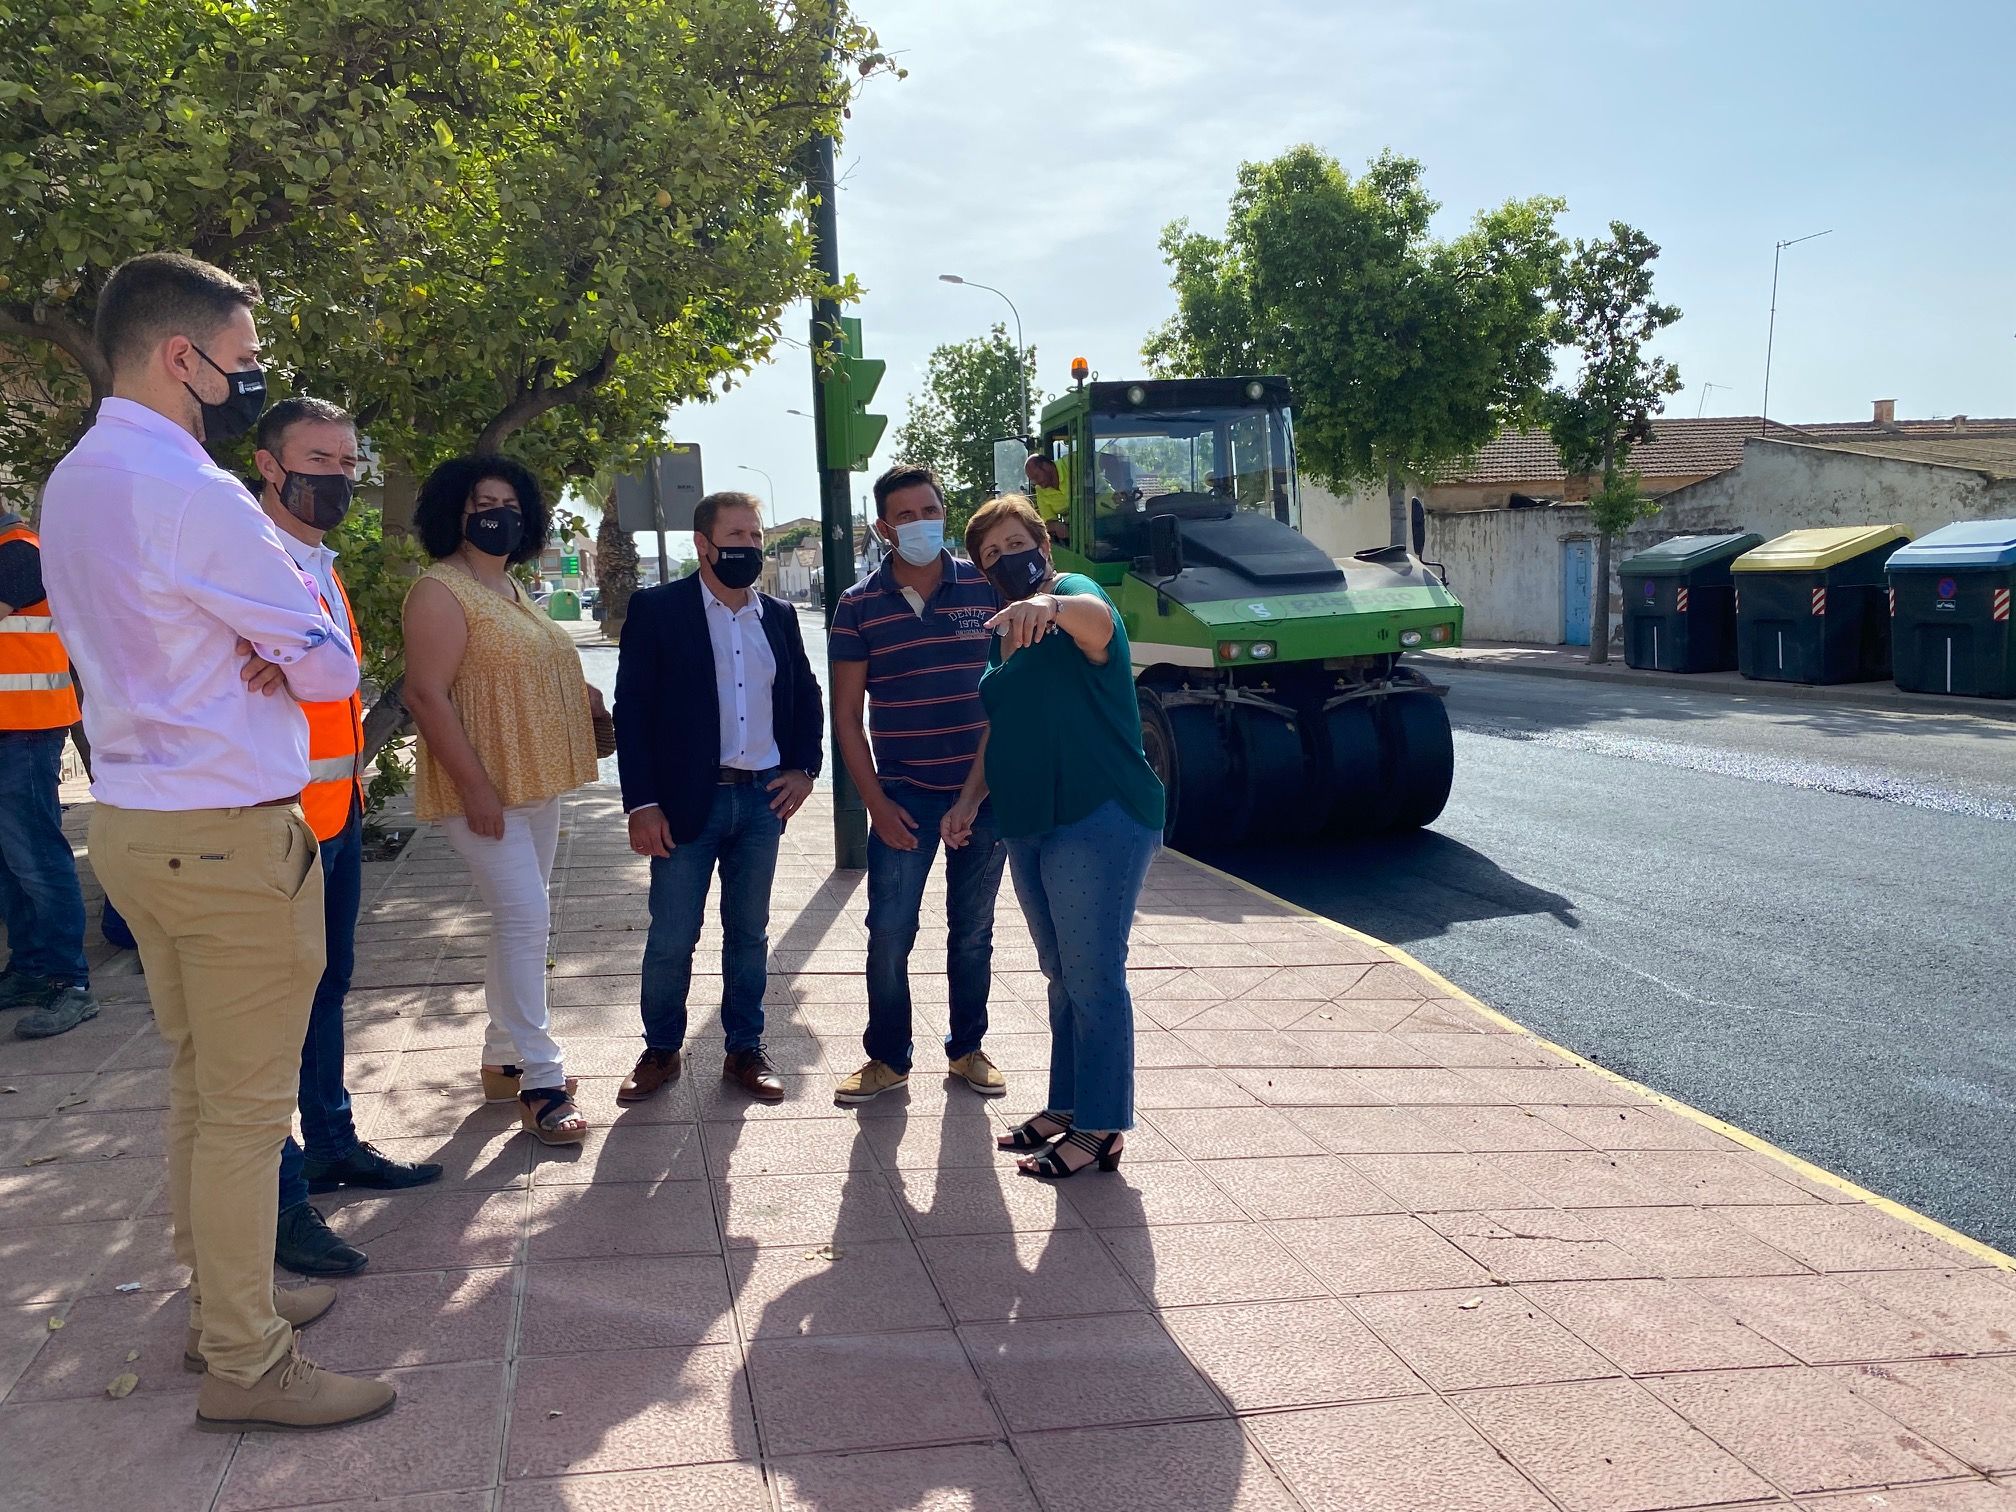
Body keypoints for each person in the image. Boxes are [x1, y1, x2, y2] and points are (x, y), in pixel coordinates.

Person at [39, 251, 392, 1430]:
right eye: (243, 363)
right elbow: (332, 665)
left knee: (200, 1087)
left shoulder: (75, 479)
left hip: (138, 822)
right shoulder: (195, 493)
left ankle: (221, 1307)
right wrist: (286, 650)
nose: (250, 382)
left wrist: (269, 647)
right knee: (245, 1109)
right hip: (230, 836)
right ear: (181, 356)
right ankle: (245, 1360)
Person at [251, 399, 442, 1276]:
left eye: (348, 460)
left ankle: (330, 1144)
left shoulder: (318, 564)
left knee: (327, 993)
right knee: (266, 1019)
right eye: (317, 458)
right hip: (267, 830)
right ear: (269, 465)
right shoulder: (246, 563)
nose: (337, 476)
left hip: (332, 821)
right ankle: (281, 1197)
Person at [963, 494, 1164, 1179]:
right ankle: (1070, 1104)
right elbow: (1003, 727)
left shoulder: (1069, 594)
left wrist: (1047, 605)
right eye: (990, 553)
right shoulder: (1003, 628)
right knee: (1061, 975)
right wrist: (968, 800)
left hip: (1097, 810)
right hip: (1030, 819)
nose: (1005, 558)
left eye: (1015, 542)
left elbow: (1099, 624)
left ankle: (1102, 1126)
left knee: (1093, 974)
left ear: (1041, 547)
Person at [402, 455, 601, 1146]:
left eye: (510, 503)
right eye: (482, 502)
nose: (498, 513)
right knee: (526, 919)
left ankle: (501, 1057)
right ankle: (543, 1082)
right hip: (482, 790)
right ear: (454, 511)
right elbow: (424, 695)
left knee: (517, 922)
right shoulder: (440, 590)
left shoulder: (509, 586)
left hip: (533, 782)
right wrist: (476, 788)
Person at [613, 491, 821, 1105]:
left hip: (761, 803)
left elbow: (805, 698)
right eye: (736, 535)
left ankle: (744, 1049)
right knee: (673, 934)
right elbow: (634, 713)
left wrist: (805, 768)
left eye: (755, 537)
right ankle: (659, 1050)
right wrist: (641, 802)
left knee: (748, 932)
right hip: (683, 804)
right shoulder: (658, 610)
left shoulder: (777, 616)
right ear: (702, 544)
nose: (749, 547)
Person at [828, 464, 1007, 1106]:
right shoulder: (858, 605)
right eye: (904, 516)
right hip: (900, 796)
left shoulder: (986, 593)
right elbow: (846, 716)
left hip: (982, 797)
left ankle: (967, 1050)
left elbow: (1009, 701)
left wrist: (973, 796)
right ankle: (887, 1057)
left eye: (928, 510)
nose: (919, 523)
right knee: (889, 930)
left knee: (973, 928)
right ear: (883, 528)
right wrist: (875, 804)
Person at [0, 505, 99, 1039]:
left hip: (28, 730)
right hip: (11, 729)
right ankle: (31, 969)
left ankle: (70, 983)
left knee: (35, 857)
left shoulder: (19, 551)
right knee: (8, 861)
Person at [1024, 452, 1071, 544]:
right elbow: (1048, 521)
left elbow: (1104, 460)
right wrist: (1057, 526)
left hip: (1104, 516)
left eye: (1036, 476)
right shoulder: (1040, 490)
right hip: (1078, 531)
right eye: (1032, 480)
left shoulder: (1070, 462)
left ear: (1045, 466)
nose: (1036, 483)